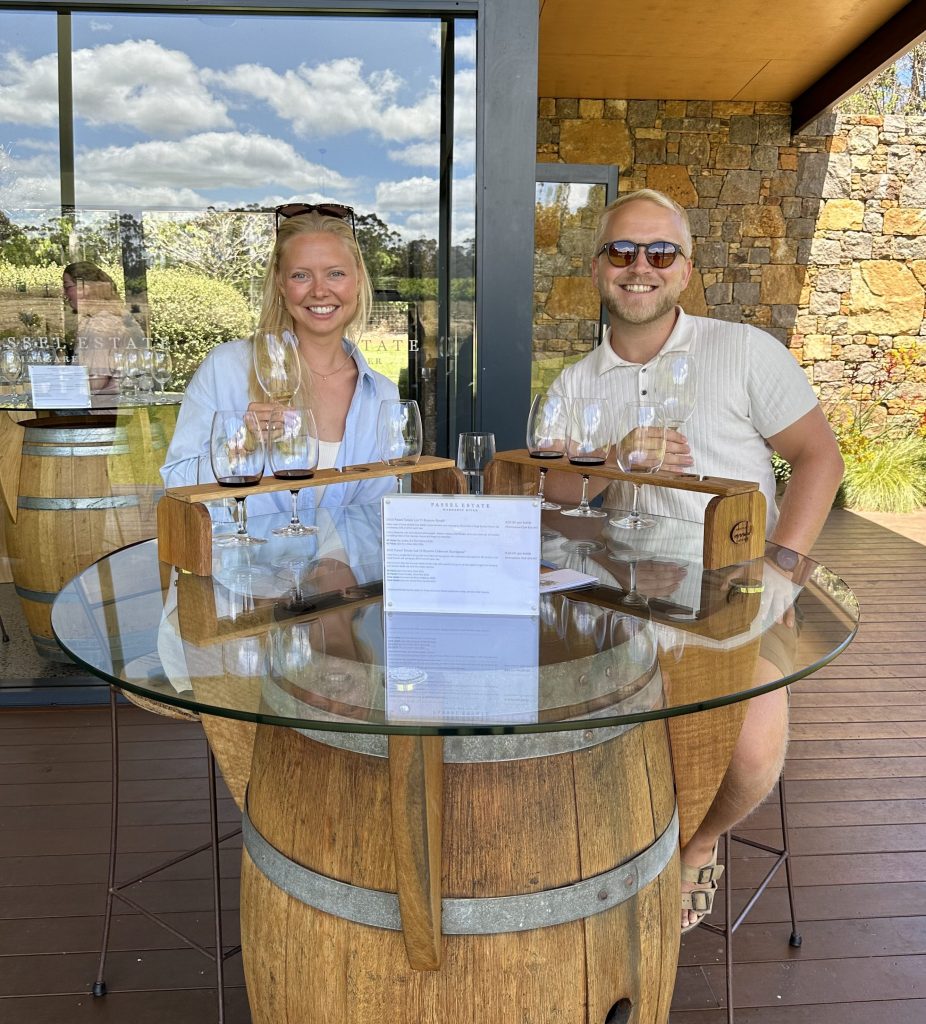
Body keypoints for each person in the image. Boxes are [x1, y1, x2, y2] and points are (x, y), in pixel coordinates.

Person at [546, 188, 844, 932]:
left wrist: (781, 569)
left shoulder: (743, 351)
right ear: (598, 268)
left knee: (750, 746)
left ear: (684, 269)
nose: (639, 266)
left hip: (735, 593)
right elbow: (547, 495)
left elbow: (819, 458)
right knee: (553, 719)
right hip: (615, 599)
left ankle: (697, 842)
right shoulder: (575, 384)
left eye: (660, 252)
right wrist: (612, 461)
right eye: (622, 251)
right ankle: (603, 849)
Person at [161, 203, 398, 516]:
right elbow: (176, 486)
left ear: (357, 279)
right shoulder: (227, 368)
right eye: (301, 275)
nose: (320, 291)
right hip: (251, 551)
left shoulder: (382, 394)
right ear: (281, 283)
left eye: (336, 274)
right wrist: (243, 446)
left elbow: (380, 513)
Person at [63, 261, 146, 392]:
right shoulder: (119, 316)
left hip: (105, 404)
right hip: (124, 401)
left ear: (85, 288)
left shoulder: (100, 325)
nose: (64, 294)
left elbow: (95, 383)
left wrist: (56, 383)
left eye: (67, 287)